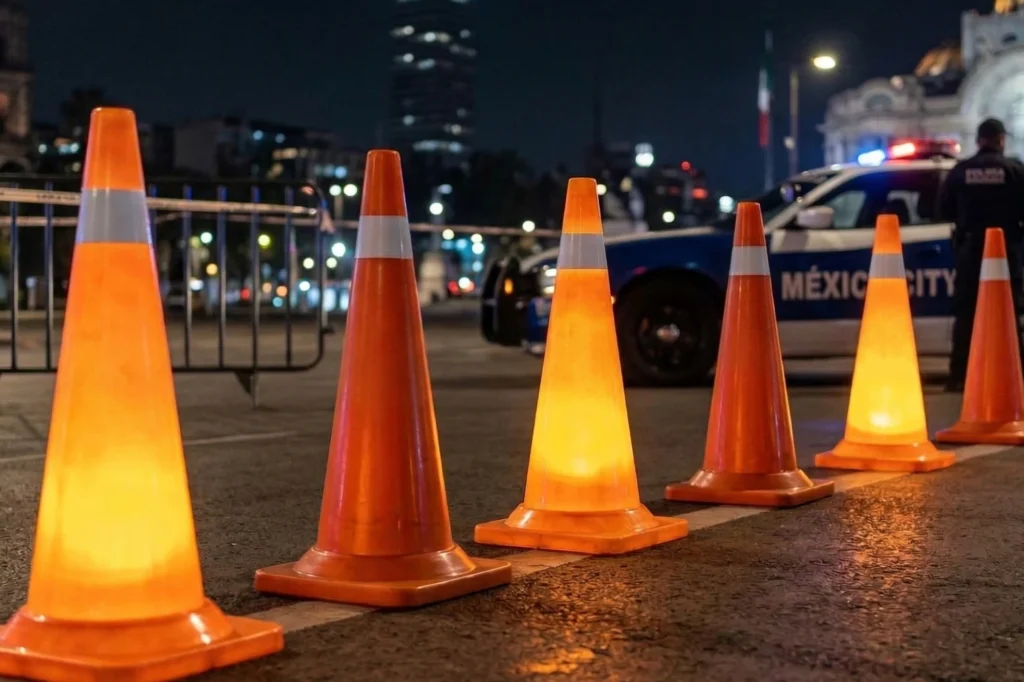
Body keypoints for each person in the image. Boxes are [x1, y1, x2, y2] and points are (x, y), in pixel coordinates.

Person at [939, 117, 1024, 391]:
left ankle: (958, 377)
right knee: (1011, 313)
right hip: (1006, 251)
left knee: (966, 314)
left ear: (978, 141)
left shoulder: (961, 171)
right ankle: (1016, 376)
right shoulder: (1014, 170)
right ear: (1001, 139)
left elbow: (943, 210)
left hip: (971, 250)